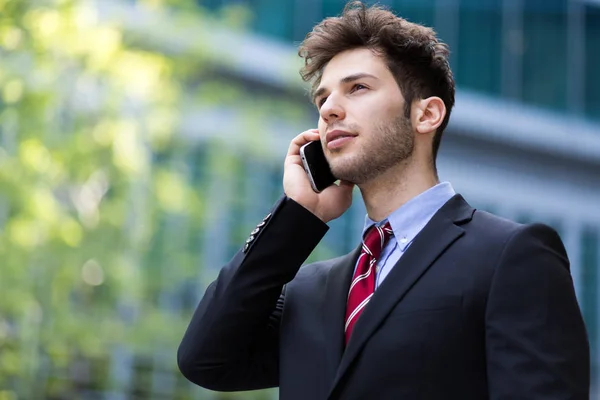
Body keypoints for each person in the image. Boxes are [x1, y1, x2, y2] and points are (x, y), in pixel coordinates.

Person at [177, 2, 590, 399]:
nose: (330, 110)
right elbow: (206, 360)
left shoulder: (510, 255)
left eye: (357, 88)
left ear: (426, 114)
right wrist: (296, 217)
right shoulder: (311, 290)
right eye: (322, 99)